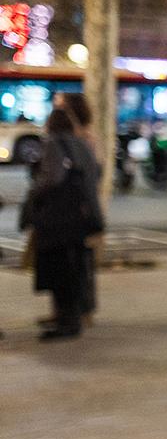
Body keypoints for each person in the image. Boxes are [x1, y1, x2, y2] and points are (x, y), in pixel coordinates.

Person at [19, 106, 101, 340]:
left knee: (59, 269)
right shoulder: (81, 144)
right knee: (74, 268)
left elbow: (52, 178)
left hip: (57, 221)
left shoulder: (53, 143)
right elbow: (95, 174)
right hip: (79, 218)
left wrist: (35, 194)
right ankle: (71, 317)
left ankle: (66, 321)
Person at [54, 92, 100, 322]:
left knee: (81, 261)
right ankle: (74, 309)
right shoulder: (72, 136)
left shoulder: (83, 138)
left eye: (61, 105)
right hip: (74, 207)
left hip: (79, 208)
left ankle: (83, 310)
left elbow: (89, 177)